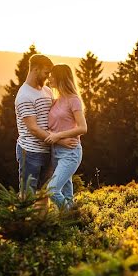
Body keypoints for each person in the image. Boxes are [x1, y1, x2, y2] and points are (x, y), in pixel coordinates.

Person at [14, 54, 69, 195]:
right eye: (46, 73)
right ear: (35, 70)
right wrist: (61, 140)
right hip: (30, 152)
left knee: (45, 193)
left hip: (48, 150)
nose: (48, 77)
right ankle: (27, 218)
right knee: (28, 194)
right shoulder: (24, 95)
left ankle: (42, 218)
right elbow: (33, 128)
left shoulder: (47, 91)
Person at [43, 64, 87, 208]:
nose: (49, 78)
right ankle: (69, 225)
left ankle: (74, 216)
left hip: (70, 153)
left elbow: (82, 127)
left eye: (52, 75)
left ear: (60, 78)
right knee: (67, 194)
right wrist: (59, 139)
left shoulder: (73, 99)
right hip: (56, 152)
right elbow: (49, 129)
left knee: (52, 190)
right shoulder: (56, 100)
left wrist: (58, 136)